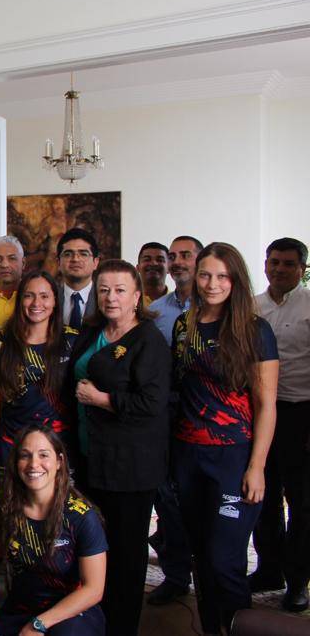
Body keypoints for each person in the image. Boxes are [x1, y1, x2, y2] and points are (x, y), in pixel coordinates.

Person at [172, 242, 278, 634]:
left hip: (233, 458)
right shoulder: (185, 325)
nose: (212, 284)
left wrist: (257, 466)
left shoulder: (254, 329)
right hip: (187, 456)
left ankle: (239, 628)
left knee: (225, 559)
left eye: (221, 276)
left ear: (235, 281)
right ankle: (212, 628)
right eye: (205, 275)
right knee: (201, 556)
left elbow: (267, 404)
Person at [64, 259, 171, 636]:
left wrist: (103, 399)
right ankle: (91, 620)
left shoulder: (148, 340)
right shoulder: (91, 330)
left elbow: (152, 403)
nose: (111, 297)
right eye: (104, 289)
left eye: (120, 290)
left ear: (137, 296)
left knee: (125, 556)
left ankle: (122, 627)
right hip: (90, 458)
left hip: (130, 467)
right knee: (92, 548)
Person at [0, 425, 106, 635]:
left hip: (72, 613)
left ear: (59, 462)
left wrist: (39, 624)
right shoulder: (4, 508)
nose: (34, 464)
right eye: (25, 456)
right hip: (21, 609)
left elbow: (93, 589)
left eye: (44, 455)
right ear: (16, 463)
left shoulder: (81, 516)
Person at [251, 237, 310, 611]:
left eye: (288, 264)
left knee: (302, 504)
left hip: (302, 413)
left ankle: (298, 580)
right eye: (274, 262)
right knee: (263, 498)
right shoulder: (252, 308)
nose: (279, 269)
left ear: (302, 268)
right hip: (261, 412)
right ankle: (268, 568)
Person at [146, 234, 203, 605]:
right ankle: (177, 573)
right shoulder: (156, 310)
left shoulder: (217, 305)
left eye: (186, 255)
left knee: (198, 496)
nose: (178, 261)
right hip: (165, 413)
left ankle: (210, 567)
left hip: (206, 416)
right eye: (174, 256)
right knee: (166, 494)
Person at [0, 270, 75, 479]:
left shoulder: (72, 341)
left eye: (44, 296)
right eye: (29, 295)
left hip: (59, 446)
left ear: (55, 301)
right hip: (12, 446)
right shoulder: (2, 341)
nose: (36, 303)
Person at [56, 228, 100, 330]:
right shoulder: (49, 299)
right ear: (58, 262)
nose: (75, 259)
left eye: (83, 254)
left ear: (95, 262)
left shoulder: (105, 299)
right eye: (68, 254)